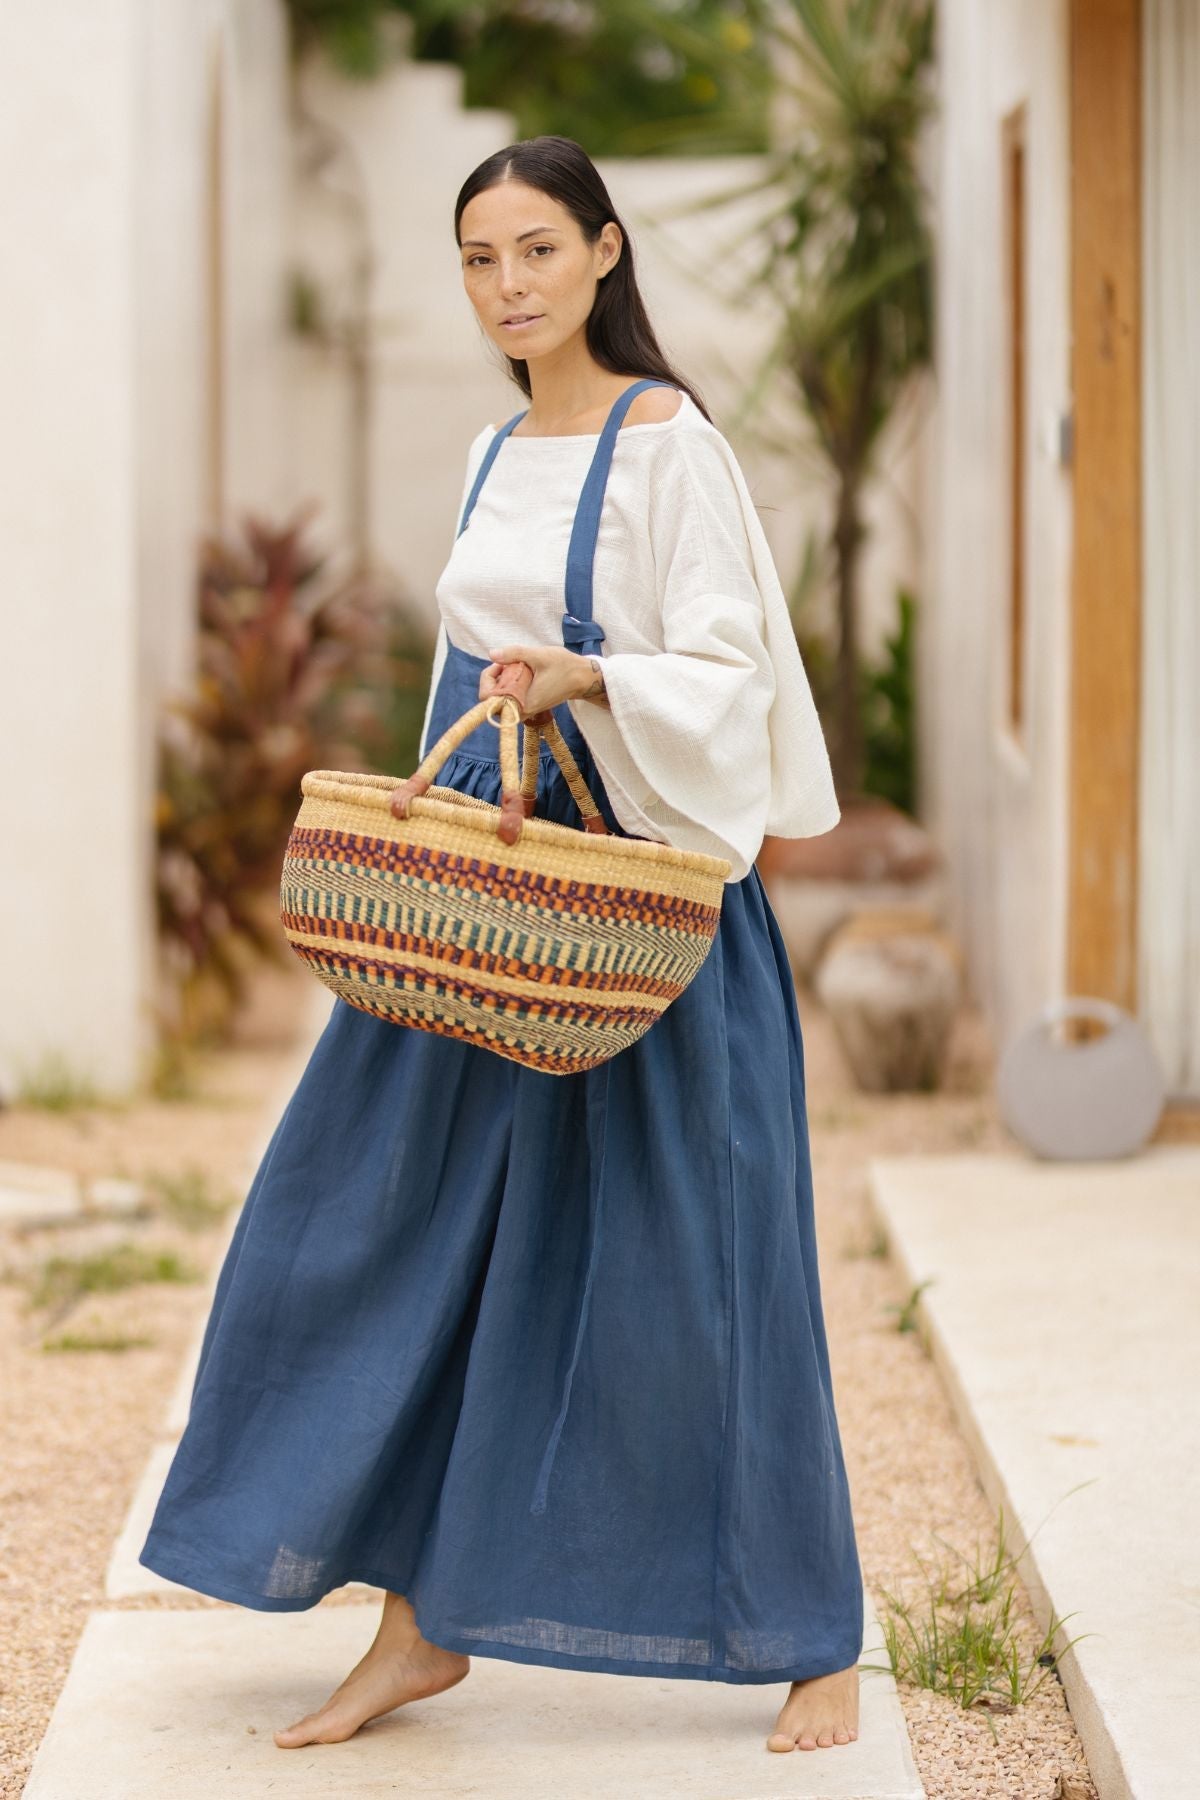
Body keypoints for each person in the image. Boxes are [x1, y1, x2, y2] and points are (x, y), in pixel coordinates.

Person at [139, 134, 865, 1759]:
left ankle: (811, 1631)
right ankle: (418, 1624)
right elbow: (458, 681)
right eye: (479, 259)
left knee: (710, 1270)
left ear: (607, 254)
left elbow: (734, 670)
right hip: (487, 889)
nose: (508, 287)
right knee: (379, 1230)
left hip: (634, 901)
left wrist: (586, 677)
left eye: (537, 250)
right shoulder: (488, 454)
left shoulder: (668, 440)